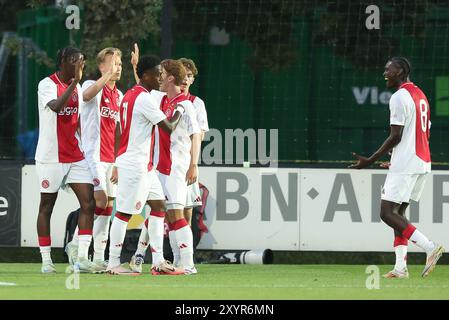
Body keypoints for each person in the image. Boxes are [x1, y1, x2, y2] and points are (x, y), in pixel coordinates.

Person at [349, 57, 445, 278]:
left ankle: (430, 247)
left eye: (388, 69)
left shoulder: (399, 97)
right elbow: (422, 131)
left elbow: (396, 135)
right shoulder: (420, 94)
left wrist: (370, 160)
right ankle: (400, 267)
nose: (385, 73)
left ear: (401, 71)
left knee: (385, 213)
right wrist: (396, 157)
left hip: (408, 163)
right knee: (398, 213)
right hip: (421, 161)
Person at [106, 55, 185, 275]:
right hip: (135, 165)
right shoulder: (145, 99)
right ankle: (113, 263)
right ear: (147, 74)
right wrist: (180, 110)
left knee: (159, 207)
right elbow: (168, 127)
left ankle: (158, 261)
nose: (161, 77)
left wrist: (117, 160)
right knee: (123, 214)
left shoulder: (131, 95)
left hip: (143, 166)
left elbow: (120, 131)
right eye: (158, 73)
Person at [35, 46, 99, 273]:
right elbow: (55, 107)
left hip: (75, 155)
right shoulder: (47, 84)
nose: (78, 65)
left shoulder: (79, 86)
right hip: (50, 157)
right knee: (46, 207)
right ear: (62, 61)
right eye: (74, 60)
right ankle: (46, 261)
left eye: (81, 61)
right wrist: (74, 83)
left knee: (89, 203)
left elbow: (77, 121)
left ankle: (81, 257)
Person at [65, 48, 123, 271]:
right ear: (101, 66)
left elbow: (118, 131)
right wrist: (105, 76)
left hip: (110, 158)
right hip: (93, 155)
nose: (117, 68)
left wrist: (118, 161)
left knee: (108, 207)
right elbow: (86, 96)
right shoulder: (91, 85)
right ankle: (78, 247)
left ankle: (98, 256)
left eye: (119, 64)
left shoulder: (118, 95)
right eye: (112, 63)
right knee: (97, 201)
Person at [155, 59, 202, 275]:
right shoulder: (164, 100)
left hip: (177, 167)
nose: (159, 77)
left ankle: (188, 264)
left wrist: (194, 165)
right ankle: (178, 262)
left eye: (162, 73)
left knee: (177, 214)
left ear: (171, 77)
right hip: (162, 167)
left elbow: (196, 135)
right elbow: (141, 86)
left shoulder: (186, 104)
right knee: (170, 216)